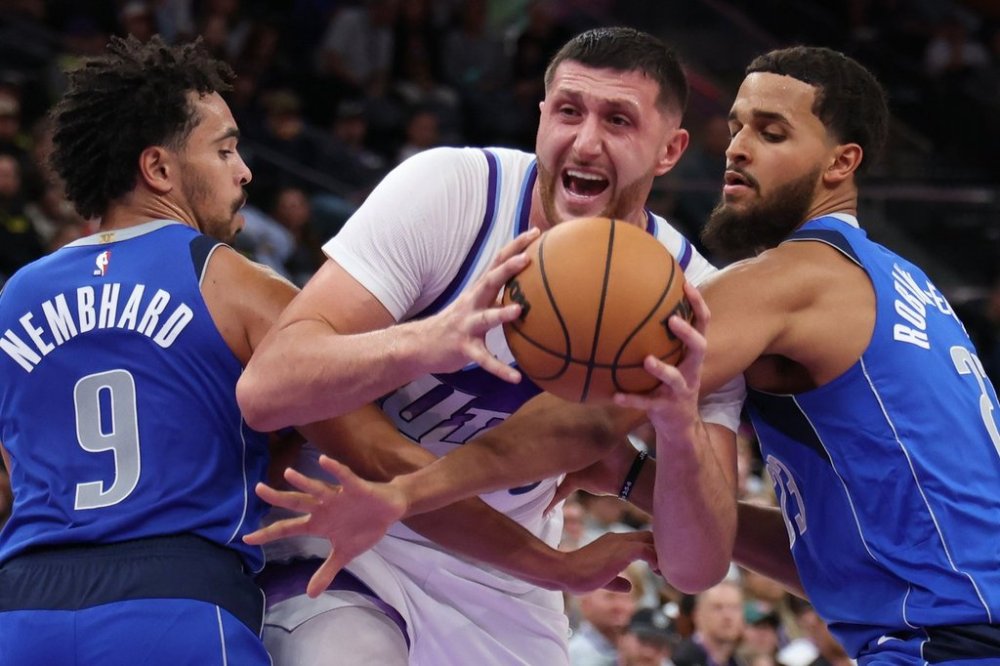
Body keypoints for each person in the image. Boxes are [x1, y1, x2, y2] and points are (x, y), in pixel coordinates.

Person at [255, 44, 1000, 665]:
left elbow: (589, 426)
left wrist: (408, 494)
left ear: (841, 164)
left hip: (947, 642)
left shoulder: (776, 283)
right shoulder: (903, 285)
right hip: (948, 623)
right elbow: (838, 553)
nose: (736, 147)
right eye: (736, 126)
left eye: (772, 133)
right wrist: (638, 476)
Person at [0, 33, 549, 665]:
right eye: (226, 149)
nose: (244, 171)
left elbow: (23, 466)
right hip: (175, 603)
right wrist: (544, 545)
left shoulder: (17, 294)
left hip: (25, 609)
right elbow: (369, 451)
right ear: (159, 170)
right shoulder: (232, 282)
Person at [237, 26, 745, 666]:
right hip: (350, 528)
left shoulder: (692, 297)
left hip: (503, 569)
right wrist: (429, 341)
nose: (585, 141)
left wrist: (675, 429)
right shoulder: (454, 192)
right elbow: (267, 387)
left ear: (670, 150)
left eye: (618, 120)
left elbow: (697, 566)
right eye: (568, 111)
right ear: (540, 119)